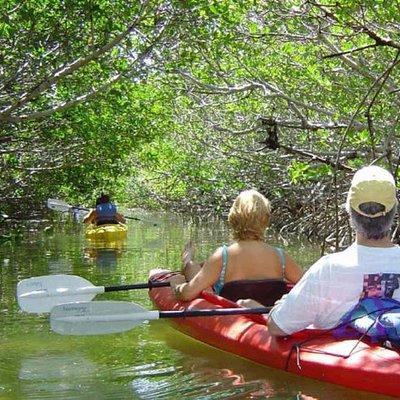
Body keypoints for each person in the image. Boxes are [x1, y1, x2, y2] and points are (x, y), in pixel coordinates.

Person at [267, 165, 400, 336]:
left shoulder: (328, 269)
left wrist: (279, 307)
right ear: (394, 211)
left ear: (349, 210)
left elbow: (277, 327)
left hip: (342, 358)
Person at [169, 189, 303, 307]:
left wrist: (176, 285)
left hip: (234, 317)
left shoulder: (223, 255)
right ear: (266, 220)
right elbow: (311, 288)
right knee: (195, 268)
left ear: (233, 218)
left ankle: (188, 261)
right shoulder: (281, 256)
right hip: (266, 315)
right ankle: (189, 262)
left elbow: (186, 294)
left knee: (192, 268)